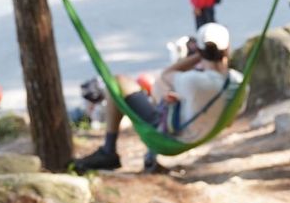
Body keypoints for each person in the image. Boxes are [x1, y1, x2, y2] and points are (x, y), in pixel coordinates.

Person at [72, 23, 241, 173]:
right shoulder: (239, 83)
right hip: (201, 133)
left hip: (171, 135)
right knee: (165, 96)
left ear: (200, 50)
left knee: (119, 82)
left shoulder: (194, 81)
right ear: (227, 49)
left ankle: (109, 150)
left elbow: (166, 74)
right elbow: (228, 122)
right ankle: (148, 156)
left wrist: (197, 57)